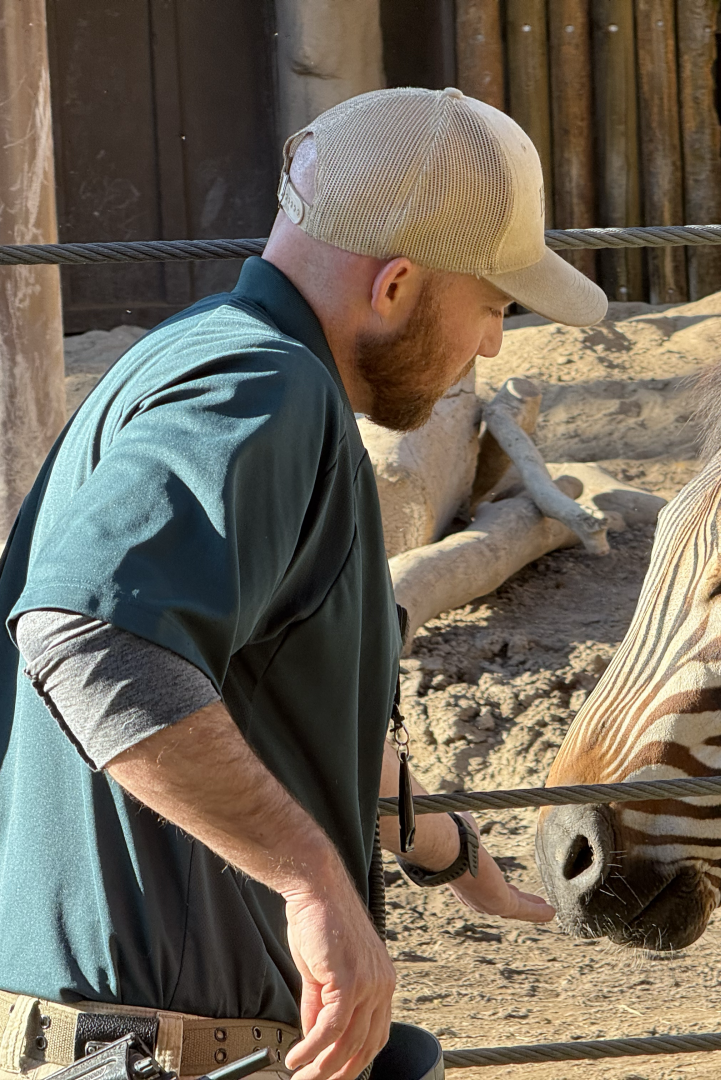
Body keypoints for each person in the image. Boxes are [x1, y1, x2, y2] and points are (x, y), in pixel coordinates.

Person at [0, 87, 607, 1080]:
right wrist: (313, 880)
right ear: (397, 285)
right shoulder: (262, 391)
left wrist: (439, 839)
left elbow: (251, 685)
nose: (493, 344)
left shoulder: (193, 353)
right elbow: (91, 635)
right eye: (495, 305)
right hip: (168, 1051)